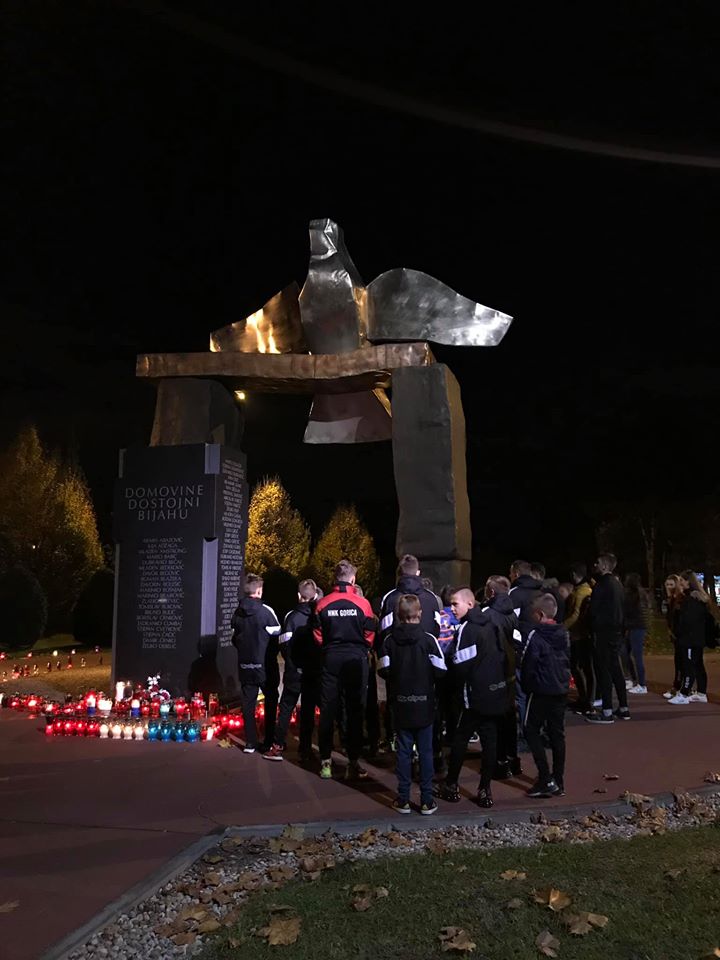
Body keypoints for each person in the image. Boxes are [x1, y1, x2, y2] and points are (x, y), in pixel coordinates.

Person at [440, 588, 510, 809]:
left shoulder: (467, 628)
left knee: (460, 739)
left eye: (455, 604)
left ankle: (451, 784)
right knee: (489, 741)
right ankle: (485, 788)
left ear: (469, 604)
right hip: (494, 691)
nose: (452, 609)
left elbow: (460, 664)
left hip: (473, 694)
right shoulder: (491, 623)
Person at [378, 594, 446, 814]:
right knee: (426, 752)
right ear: (420, 613)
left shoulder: (389, 641)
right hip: (424, 702)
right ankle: (426, 800)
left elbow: (383, 669)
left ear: (398, 615)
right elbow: (441, 670)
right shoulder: (428, 640)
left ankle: (403, 798)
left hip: (401, 702)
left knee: (403, 752)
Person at [313, 559, 376, 780]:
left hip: (331, 658)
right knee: (355, 710)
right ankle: (353, 761)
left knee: (328, 710)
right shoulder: (363, 604)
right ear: (353, 579)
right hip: (356, 660)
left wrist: (329, 648)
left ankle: (326, 762)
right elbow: (370, 633)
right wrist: (361, 648)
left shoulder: (322, 604)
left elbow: (317, 634)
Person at [378, 555, 441, 747]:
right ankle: (429, 743)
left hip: (398, 662)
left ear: (399, 573)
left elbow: (384, 630)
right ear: (418, 573)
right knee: (427, 700)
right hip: (425, 660)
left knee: (396, 701)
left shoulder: (390, 598)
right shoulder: (431, 598)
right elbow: (437, 629)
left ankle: (394, 738)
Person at [263, 579, 320, 761]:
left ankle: (278, 746)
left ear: (298, 595)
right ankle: (305, 749)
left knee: (286, 707)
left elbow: (284, 644)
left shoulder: (291, 617)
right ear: (315, 595)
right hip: (313, 671)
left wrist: (292, 662)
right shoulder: (319, 615)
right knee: (308, 710)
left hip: (294, 671)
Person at [521, 594, 570, 797]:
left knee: (530, 729)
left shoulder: (536, 635)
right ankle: (558, 779)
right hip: (560, 688)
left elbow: (528, 662)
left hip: (541, 689)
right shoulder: (563, 633)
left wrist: (527, 685)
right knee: (557, 734)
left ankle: (545, 777)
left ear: (540, 614)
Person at [231, 573, 281, 753]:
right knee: (271, 700)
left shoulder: (237, 612)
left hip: (245, 663)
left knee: (248, 702)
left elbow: (234, 635)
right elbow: (277, 633)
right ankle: (268, 740)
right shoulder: (266, 611)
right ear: (259, 591)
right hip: (265, 664)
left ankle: (250, 742)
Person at [480, 575, 522, 779]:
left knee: (493, 719)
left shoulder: (487, 614)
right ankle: (512, 759)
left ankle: (498, 762)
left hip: (493, 671)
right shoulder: (512, 613)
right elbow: (517, 640)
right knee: (509, 716)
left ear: (491, 592)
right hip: (510, 670)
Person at [585, 553, 630, 724]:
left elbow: (594, 611)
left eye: (597, 563)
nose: (594, 566)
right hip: (616, 632)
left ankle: (607, 711)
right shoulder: (618, 585)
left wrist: (592, 625)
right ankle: (623, 707)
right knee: (615, 668)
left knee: (604, 670)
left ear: (604, 566)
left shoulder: (602, 585)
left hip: (603, 632)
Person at [668, 571, 711, 705]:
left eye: (682, 580)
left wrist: (679, 632)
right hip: (697, 638)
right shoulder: (698, 598)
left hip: (690, 639)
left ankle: (684, 693)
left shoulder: (691, 599)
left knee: (689, 666)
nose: (680, 583)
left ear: (688, 582)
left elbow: (688, 620)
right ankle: (701, 692)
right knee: (698, 665)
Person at [564, 561, 594, 714]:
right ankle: (584, 699)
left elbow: (576, 614)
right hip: (579, 634)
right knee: (578, 667)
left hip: (580, 635)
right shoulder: (581, 589)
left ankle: (587, 700)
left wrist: (562, 627)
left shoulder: (583, 591)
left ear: (575, 574)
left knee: (582, 668)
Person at [624, 573, 650, 695]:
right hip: (635, 626)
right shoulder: (639, 594)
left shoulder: (635, 595)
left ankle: (642, 684)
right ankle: (633, 679)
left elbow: (632, 612)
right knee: (625, 653)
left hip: (637, 627)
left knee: (637, 656)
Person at [662, 574, 684, 699]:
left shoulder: (680, 600)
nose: (669, 587)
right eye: (667, 584)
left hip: (681, 635)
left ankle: (680, 687)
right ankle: (678, 686)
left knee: (682, 662)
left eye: (671, 584)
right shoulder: (669, 600)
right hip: (675, 635)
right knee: (678, 661)